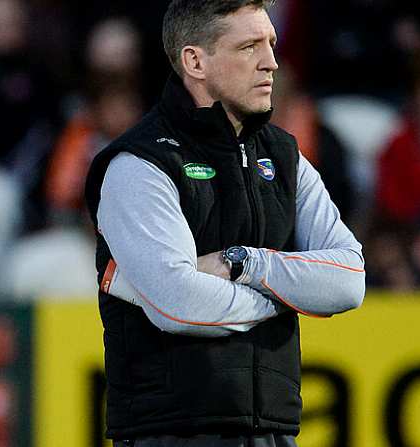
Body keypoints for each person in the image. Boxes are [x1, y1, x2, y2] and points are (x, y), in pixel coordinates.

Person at [84, 1, 366, 446]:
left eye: (271, 43)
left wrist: (244, 264)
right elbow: (179, 306)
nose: (271, 62)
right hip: (170, 434)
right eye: (249, 46)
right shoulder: (138, 164)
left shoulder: (285, 157)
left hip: (273, 432)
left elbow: (349, 280)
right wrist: (285, 299)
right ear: (194, 61)